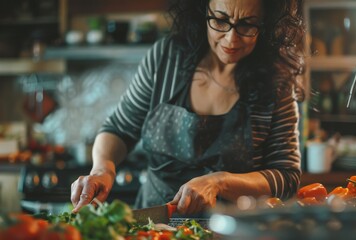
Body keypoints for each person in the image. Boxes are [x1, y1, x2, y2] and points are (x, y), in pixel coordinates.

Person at [71, 0, 305, 215]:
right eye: (220, 21)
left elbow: (286, 176)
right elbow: (120, 129)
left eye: (248, 25)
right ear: (203, 11)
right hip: (153, 227)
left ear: (266, 24)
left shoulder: (276, 82)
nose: (231, 39)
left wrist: (219, 182)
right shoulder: (166, 57)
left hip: (230, 229)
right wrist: (102, 170)